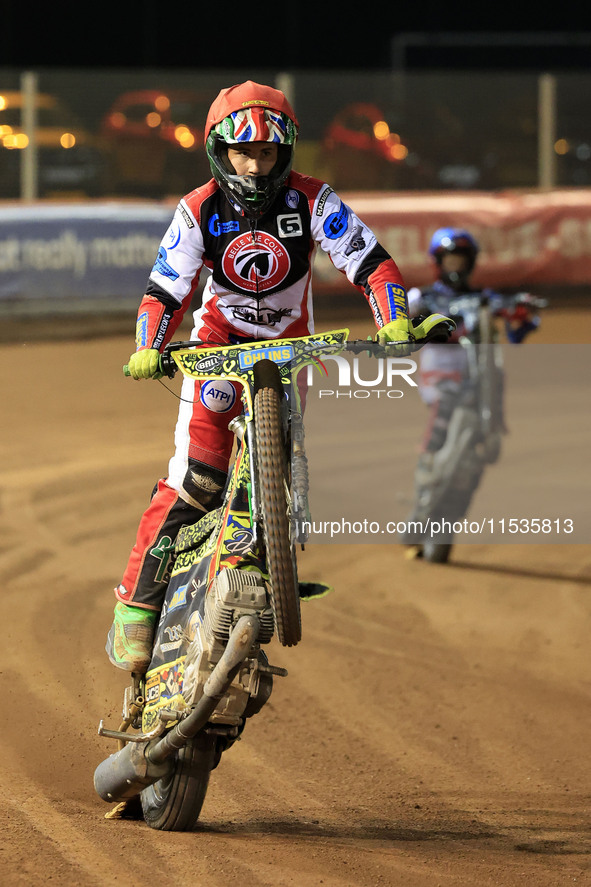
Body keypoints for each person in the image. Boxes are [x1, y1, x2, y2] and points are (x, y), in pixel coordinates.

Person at [105, 80, 447, 672]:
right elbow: (166, 289)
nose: (254, 166)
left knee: (282, 469)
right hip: (217, 343)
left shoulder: (314, 201)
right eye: (242, 153)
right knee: (197, 477)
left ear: (285, 152)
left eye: (266, 154)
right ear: (219, 150)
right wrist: (148, 346)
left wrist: (394, 319)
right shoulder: (197, 210)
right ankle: (134, 607)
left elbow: (367, 259)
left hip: (290, 348)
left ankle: (265, 562)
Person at [400, 226, 544, 541]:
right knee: (443, 410)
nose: (456, 267)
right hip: (440, 377)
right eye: (450, 261)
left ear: (471, 262)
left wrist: (523, 310)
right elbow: (402, 323)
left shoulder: (482, 298)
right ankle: (424, 485)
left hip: (479, 377)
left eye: (461, 261)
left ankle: (450, 513)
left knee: (480, 447)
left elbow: (511, 315)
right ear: (438, 262)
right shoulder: (422, 296)